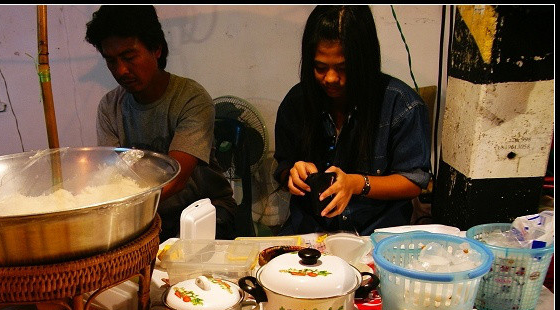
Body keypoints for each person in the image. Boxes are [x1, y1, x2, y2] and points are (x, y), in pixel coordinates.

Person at [273, 5, 431, 236]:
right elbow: (283, 165)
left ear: (365, 62)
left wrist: (358, 184)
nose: (331, 78)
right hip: (310, 232)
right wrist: (292, 175)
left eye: (343, 68)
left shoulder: (401, 105)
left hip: (375, 234)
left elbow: (414, 181)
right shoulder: (297, 101)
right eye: (320, 67)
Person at [85, 5, 237, 242]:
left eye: (129, 57)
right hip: (147, 216)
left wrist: (125, 211)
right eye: (111, 61)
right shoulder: (109, 106)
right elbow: (111, 175)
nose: (121, 70)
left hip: (204, 211)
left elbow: (175, 179)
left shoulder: (191, 98)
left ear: (156, 48)